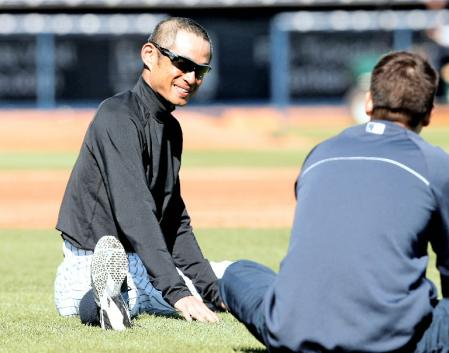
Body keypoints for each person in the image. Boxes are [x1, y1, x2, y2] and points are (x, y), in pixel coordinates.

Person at [219, 51, 449, 352]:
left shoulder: (321, 152)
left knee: (237, 272)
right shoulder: (434, 164)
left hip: (291, 332)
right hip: (390, 342)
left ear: (367, 102)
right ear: (430, 113)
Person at [54, 17, 228, 330]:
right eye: (182, 63)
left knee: (231, 276)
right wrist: (177, 291)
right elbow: (134, 211)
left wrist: (212, 289)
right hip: (91, 263)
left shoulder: (171, 129)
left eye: (200, 71)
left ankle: (118, 297)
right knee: (129, 297)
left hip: (146, 262)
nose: (191, 77)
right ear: (149, 54)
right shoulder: (117, 116)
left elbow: (173, 216)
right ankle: (103, 299)